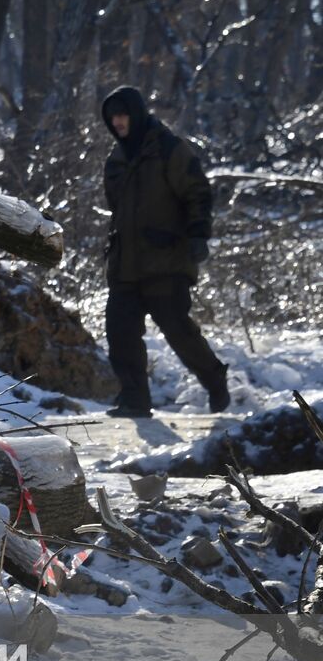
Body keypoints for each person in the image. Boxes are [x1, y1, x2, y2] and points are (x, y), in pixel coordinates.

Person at [100, 85, 229, 418]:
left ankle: (215, 380)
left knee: (177, 330)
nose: (117, 122)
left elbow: (198, 193)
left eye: (122, 114)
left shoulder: (170, 150)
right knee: (120, 331)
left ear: (137, 113)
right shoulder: (114, 161)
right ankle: (134, 400)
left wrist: (199, 234)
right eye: (112, 116)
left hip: (165, 259)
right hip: (124, 264)